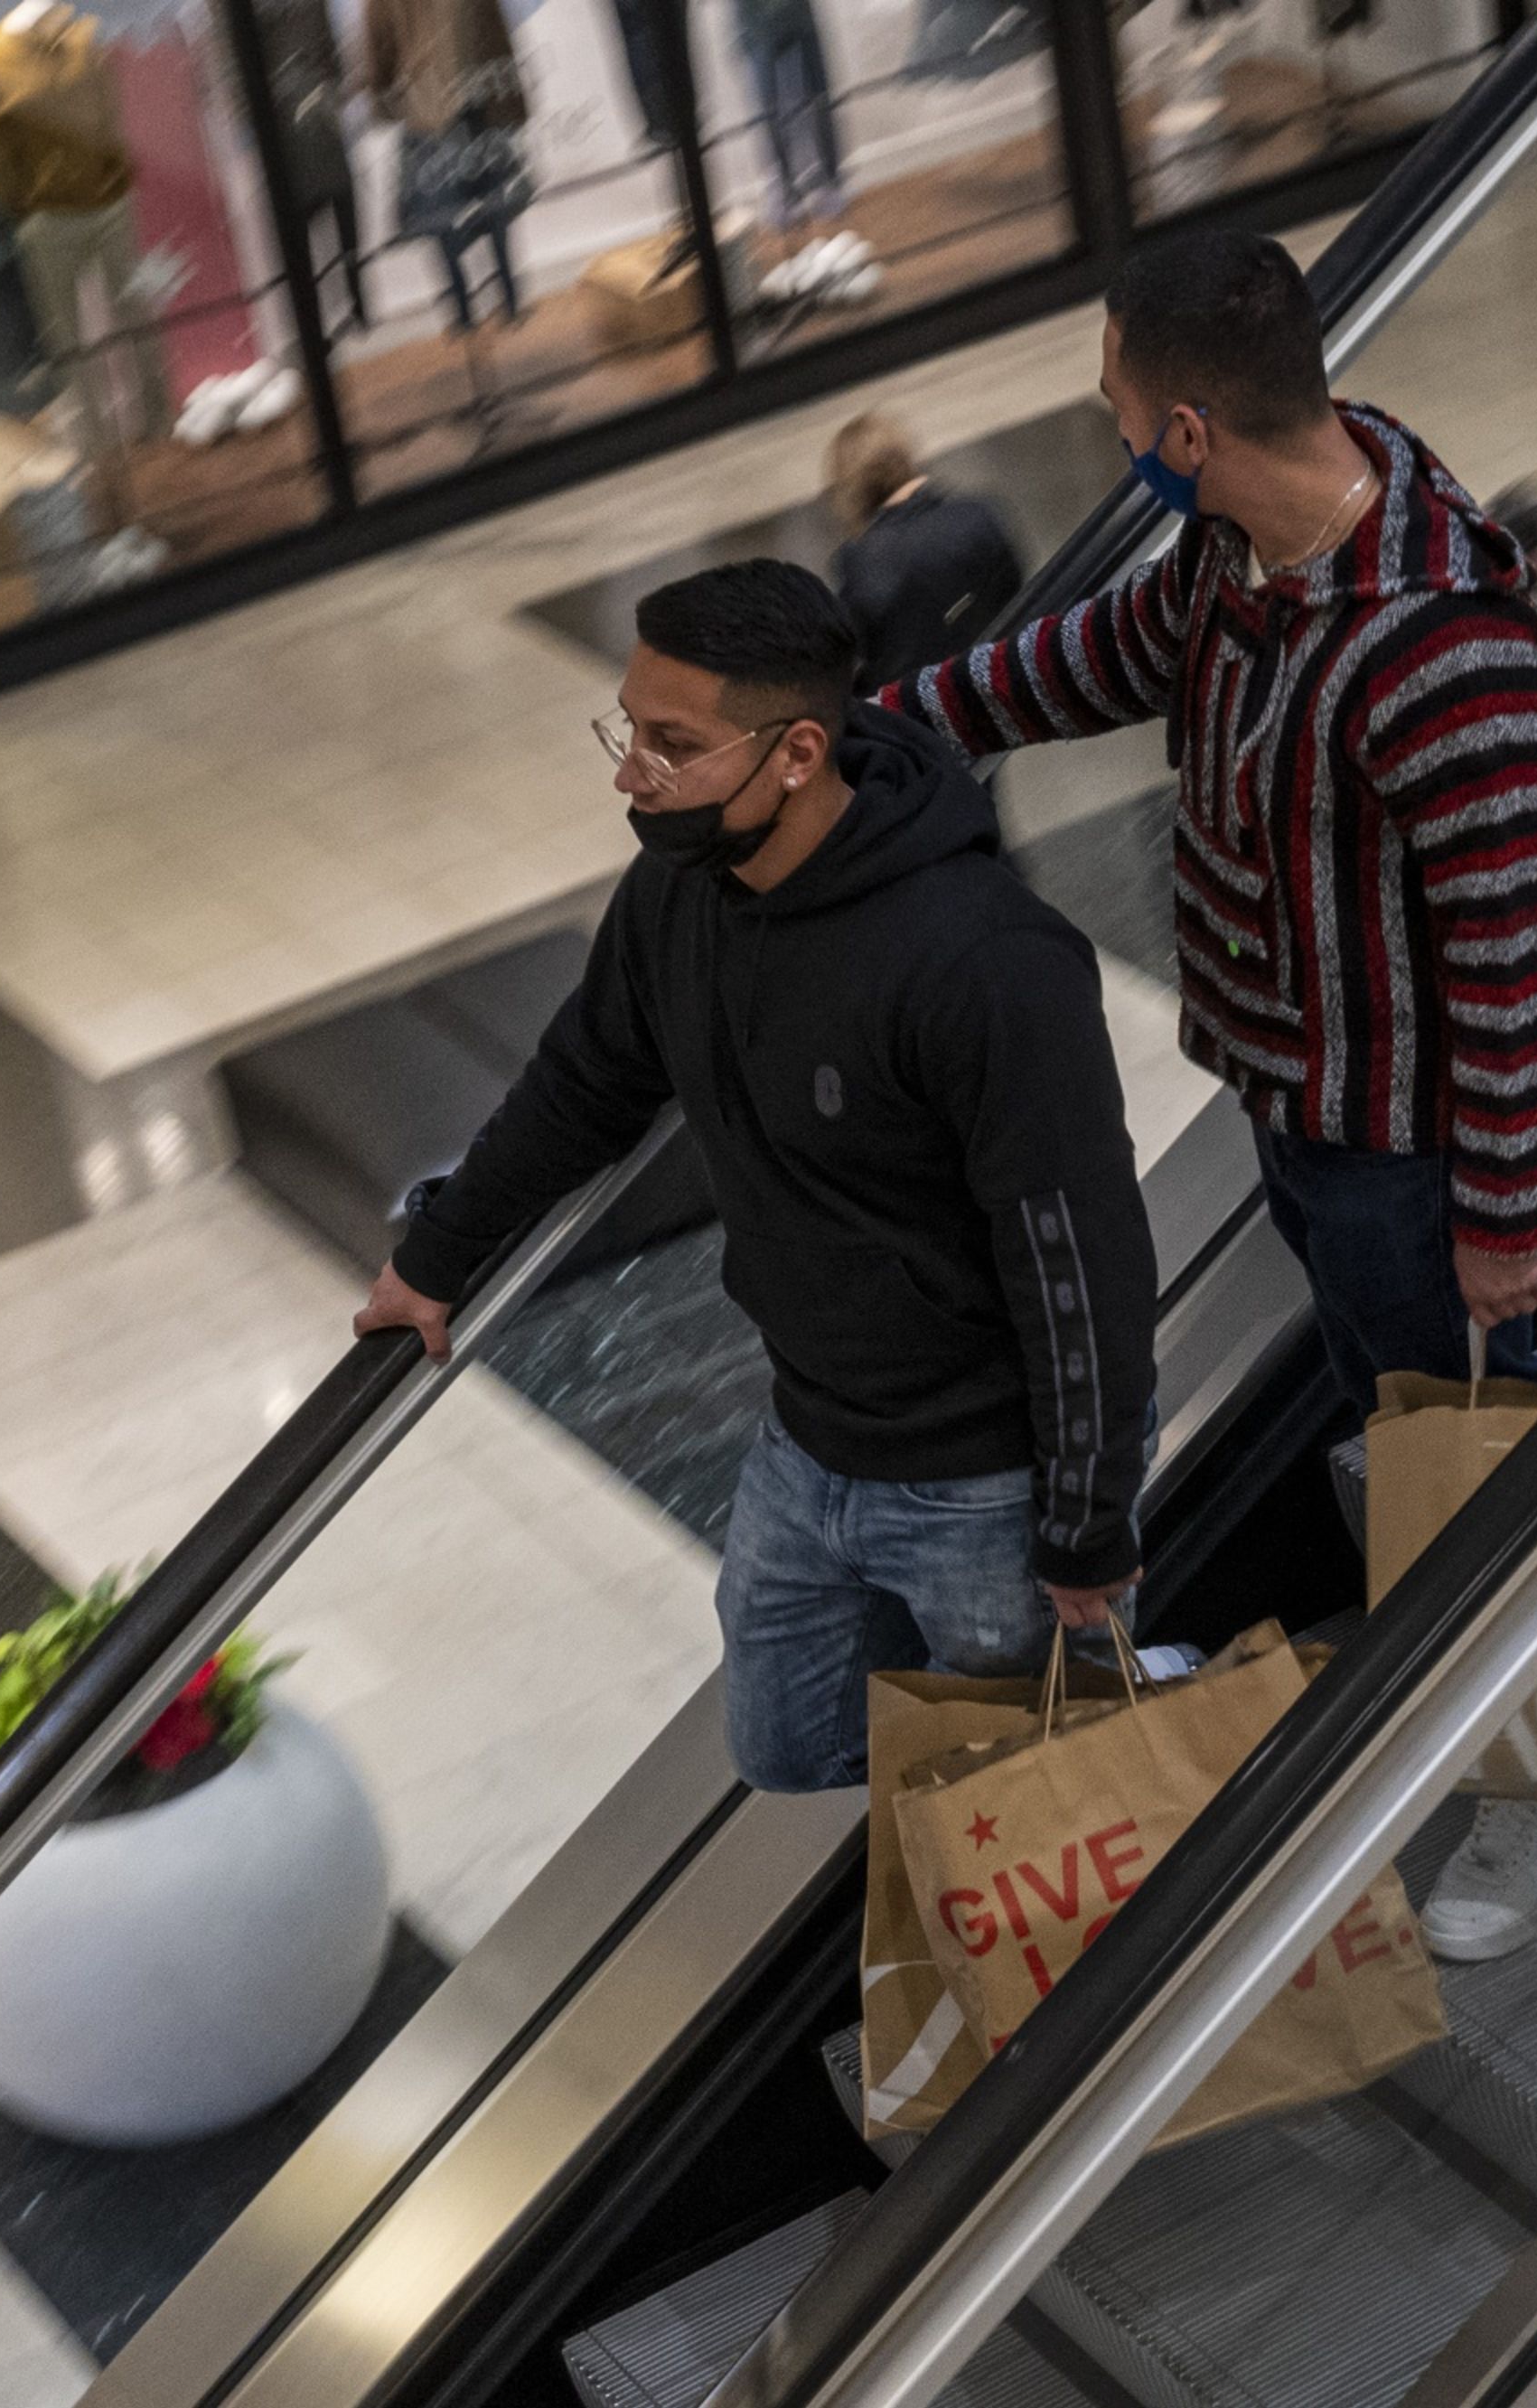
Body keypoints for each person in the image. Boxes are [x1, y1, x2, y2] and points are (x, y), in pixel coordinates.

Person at [878, 227, 1537, 1964]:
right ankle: (1450, 1669)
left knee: (1476, 1462)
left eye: (1118, 406)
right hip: (1308, 1100)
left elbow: (1517, 963)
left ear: (1189, 425)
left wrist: (1505, 1226)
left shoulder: (1443, 649)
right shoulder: (1232, 557)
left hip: (1426, 1153)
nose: (1112, 433)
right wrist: (878, 729)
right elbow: (1074, 663)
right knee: (1400, 1436)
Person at [357, 560, 1157, 1794]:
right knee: (785, 1744)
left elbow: (1076, 1254)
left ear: (793, 754)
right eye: (628, 730)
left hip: (980, 1478)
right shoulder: (677, 896)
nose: (632, 773)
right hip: (807, 1438)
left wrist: (1086, 1519)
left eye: (671, 744)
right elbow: (583, 1082)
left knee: (1036, 1778)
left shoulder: (985, 961)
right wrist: (435, 1257)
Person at [825, 410, 1025, 692]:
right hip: (997, 689)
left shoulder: (860, 560)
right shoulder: (979, 514)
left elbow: (856, 653)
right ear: (904, 455)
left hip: (916, 715)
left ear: (849, 485)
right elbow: (1017, 598)